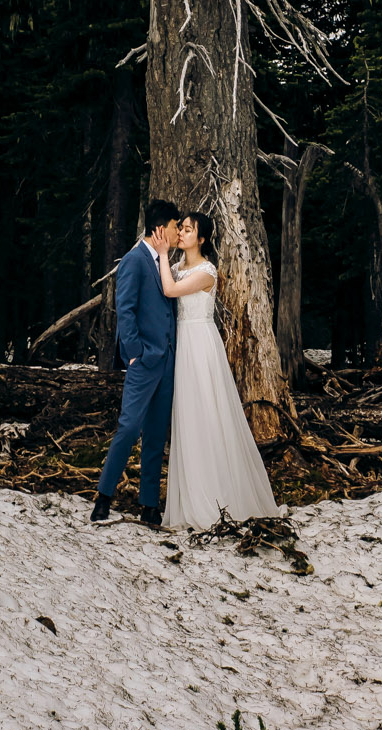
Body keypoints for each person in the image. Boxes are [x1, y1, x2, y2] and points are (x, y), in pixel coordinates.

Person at [156, 207, 278, 529]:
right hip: (183, 345)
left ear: (202, 237)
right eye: (179, 228)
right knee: (188, 416)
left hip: (201, 345)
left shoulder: (207, 271)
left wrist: (160, 253)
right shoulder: (178, 266)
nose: (181, 232)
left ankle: (215, 497)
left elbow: (169, 290)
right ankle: (189, 497)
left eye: (187, 229)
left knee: (208, 414)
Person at [90, 199, 180, 528]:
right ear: (160, 229)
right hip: (143, 360)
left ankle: (149, 505)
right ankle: (103, 498)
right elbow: (124, 309)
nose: (176, 231)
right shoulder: (134, 260)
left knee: (157, 435)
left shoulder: (164, 261)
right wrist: (134, 352)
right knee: (128, 428)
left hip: (167, 361)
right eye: (174, 226)